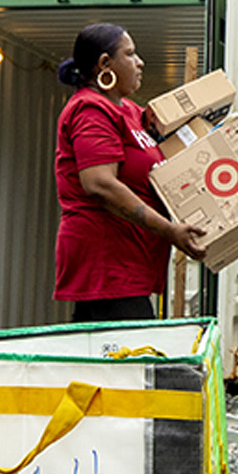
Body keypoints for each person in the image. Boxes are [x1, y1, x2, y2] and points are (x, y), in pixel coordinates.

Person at [53, 23, 206, 322]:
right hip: (106, 267)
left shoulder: (133, 113)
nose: (140, 62)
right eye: (130, 54)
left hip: (132, 264)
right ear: (105, 64)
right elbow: (99, 184)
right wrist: (169, 229)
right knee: (128, 360)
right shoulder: (90, 110)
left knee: (117, 362)